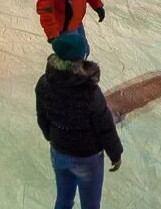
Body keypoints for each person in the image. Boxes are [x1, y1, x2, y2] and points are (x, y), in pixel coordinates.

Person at [35, 32, 121, 209]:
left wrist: (51, 137)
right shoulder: (90, 92)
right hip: (86, 156)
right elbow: (105, 126)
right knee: (90, 205)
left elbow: (42, 117)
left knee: (64, 199)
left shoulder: (44, 83)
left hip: (59, 151)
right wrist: (115, 153)